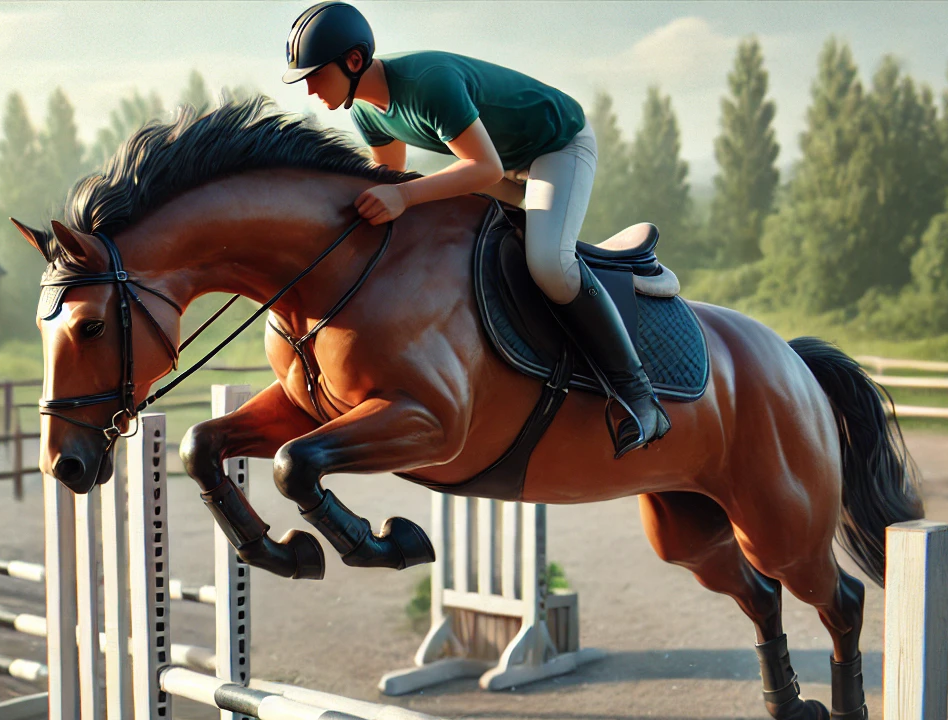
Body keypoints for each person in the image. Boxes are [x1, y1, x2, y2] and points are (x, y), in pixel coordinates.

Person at [282, 1, 671, 455]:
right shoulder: (367, 112)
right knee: (459, 253)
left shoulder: (429, 85)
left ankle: (640, 397)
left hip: (557, 146)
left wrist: (404, 196)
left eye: (313, 74)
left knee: (547, 262)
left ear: (352, 61)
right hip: (503, 161)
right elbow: (390, 181)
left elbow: (484, 169)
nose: (308, 89)